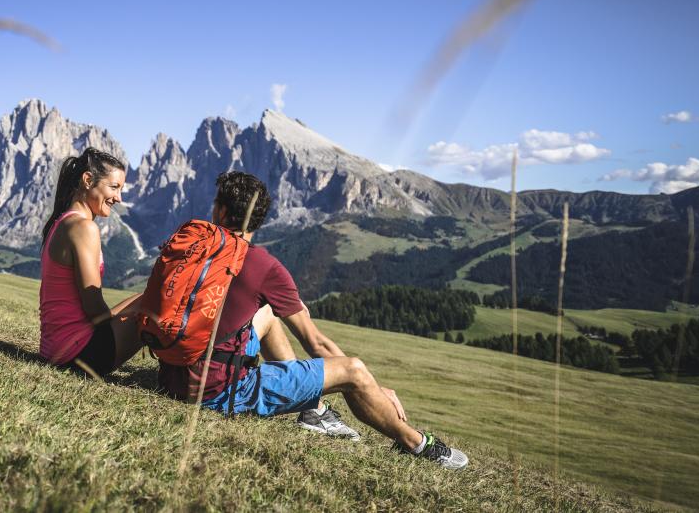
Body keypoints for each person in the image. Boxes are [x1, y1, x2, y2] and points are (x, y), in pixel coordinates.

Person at [157, 171, 468, 469]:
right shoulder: (264, 265)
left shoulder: (194, 247)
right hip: (218, 393)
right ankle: (413, 442)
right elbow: (315, 342)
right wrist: (373, 386)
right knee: (354, 371)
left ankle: (312, 410)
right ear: (261, 218)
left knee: (266, 314)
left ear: (219, 211)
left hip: (175, 375)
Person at [39, 147, 143, 376]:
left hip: (55, 348)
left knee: (144, 298)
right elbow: (94, 307)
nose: (119, 197)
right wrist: (137, 326)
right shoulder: (84, 228)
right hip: (77, 355)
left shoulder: (61, 222)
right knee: (153, 306)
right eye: (114, 187)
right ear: (88, 180)